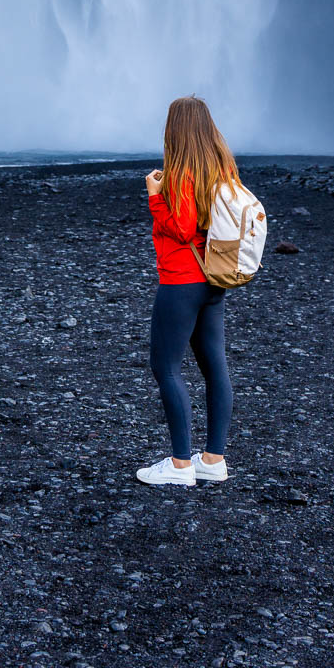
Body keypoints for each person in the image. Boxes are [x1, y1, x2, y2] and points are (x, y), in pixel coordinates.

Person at [137, 95, 237, 487]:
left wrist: (154, 196)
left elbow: (179, 228)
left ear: (175, 128)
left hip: (182, 281)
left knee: (165, 366)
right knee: (214, 365)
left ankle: (180, 465)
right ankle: (213, 458)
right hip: (214, 278)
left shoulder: (183, 171)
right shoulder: (222, 166)